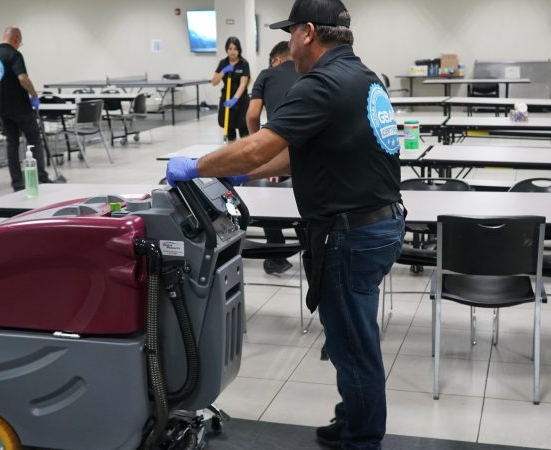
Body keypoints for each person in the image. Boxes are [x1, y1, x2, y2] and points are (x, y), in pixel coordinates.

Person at [167, 1, 403, 448]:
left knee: (354, 348)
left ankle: (362, 439)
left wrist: (197, 166)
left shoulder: (322, 84)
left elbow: (258, 145)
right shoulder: (363, 76)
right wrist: (243, 174)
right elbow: (303, 151)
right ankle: (351, 418)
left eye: (290, 32)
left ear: (308, 32)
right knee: (351, 336)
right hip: (379, 223)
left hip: (351, 233)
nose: (288, 45)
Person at [247, 41, 301, 275]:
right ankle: (311, 248)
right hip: (308, 146)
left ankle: (276, 256)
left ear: (276, 59)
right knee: (302, 195)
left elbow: (252, 115)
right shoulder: (308, 71)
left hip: (279, 144)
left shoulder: (267, 74)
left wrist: (258, 142)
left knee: (268, 194)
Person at [0, 26, 50, 191]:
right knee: (34, 140)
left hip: (3, 109)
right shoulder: (14, 55)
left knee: (12, 144)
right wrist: (34, 95)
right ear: (16, 39)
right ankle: (41, 177)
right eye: (20, 42)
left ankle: (17, 183)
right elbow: (22, 78)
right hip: (21, 108)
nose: (19, 45)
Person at [210, 37, 251, 141]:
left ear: (239, 50)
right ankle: (231, 154)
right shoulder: (223, 63)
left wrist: (234, 99)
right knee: (229, 130)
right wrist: (223, 71)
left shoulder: (244, 64)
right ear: (226, 50)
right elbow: (214, 82)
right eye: (230, 48)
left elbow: (243, 84)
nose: (232, 51)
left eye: (235, 49)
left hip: (241, 100)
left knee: (244, 131)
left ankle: (244, 155)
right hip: (226, 98)